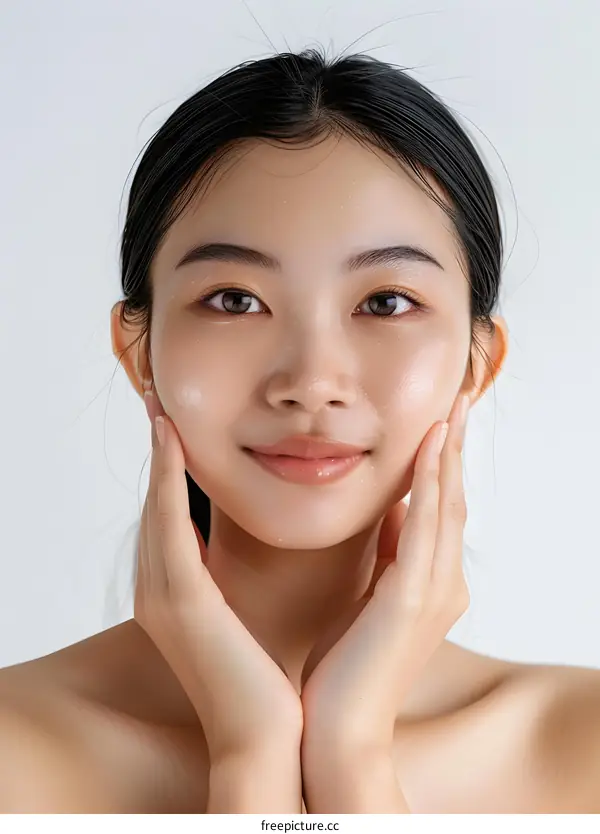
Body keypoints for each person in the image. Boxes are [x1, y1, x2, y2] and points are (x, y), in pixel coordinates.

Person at [1, 45, 599, 815]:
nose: (312, 381)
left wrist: (349, 749)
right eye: (234, 300)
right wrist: (251, 752)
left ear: (477, 363)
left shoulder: (580, 749)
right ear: (137, 350)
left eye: (385, 302)